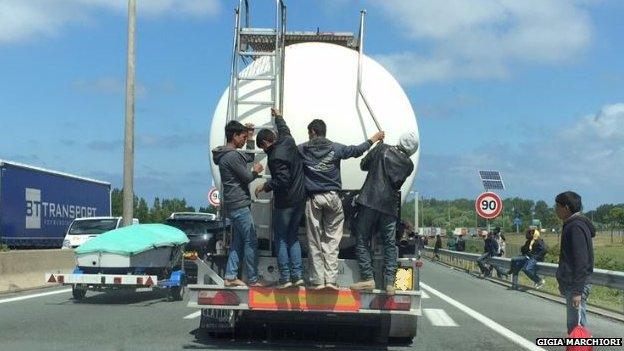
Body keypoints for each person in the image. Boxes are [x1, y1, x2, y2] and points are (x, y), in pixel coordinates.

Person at [298, 119, 384, 290]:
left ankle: (316, 280)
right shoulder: (335, 148)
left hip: (313, 198)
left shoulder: (302, 149)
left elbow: (286, 153)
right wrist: (374, 139)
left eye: (309, 133)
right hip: (332, 197)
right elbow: (356, 151)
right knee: (332, 240)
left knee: (314, 240)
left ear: (313, 132)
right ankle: (330, 280)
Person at [349, 132, 417, 294]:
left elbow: (363, 165)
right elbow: (397, 183)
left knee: (362, 239)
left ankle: (367, 278)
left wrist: (378, 146)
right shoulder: (409, 165)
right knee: (390, 244)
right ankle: (390, 283)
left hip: (369, 201)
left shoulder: (383, 149)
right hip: (389, 207)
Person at [254, 109, 306, 289]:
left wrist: (265, 186)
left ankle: (285, 276)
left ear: (267, 142)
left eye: (263, 147)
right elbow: (284, 129)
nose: (264, 150)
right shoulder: (289, 140)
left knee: (281, 239)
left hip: (285, 203)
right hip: (300, 199)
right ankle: (298, 275)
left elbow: (283, 180)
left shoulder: (275, 156)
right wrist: (278, 117)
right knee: (293, 238)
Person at [212, 121, 265, 287]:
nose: (243, 141)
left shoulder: (225, 154)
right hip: (239, 204)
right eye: (242, 137)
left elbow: (247, 157)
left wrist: (250, 137)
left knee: (239, 241)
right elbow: (247, 177)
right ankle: (253, 279)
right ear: (234, 136)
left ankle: (230, 275)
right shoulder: (232, 156)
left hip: (232, 204)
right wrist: (256, 171)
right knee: (251, 240)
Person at [554, 191, 594, 334]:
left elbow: (581, 260)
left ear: (566, 207)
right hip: (573, 283)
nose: (555, 209)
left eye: (557, 206)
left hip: (577, 284)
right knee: (575, 327)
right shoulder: (572, 224)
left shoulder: (575, 227)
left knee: (577, 328)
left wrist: (577, 291)